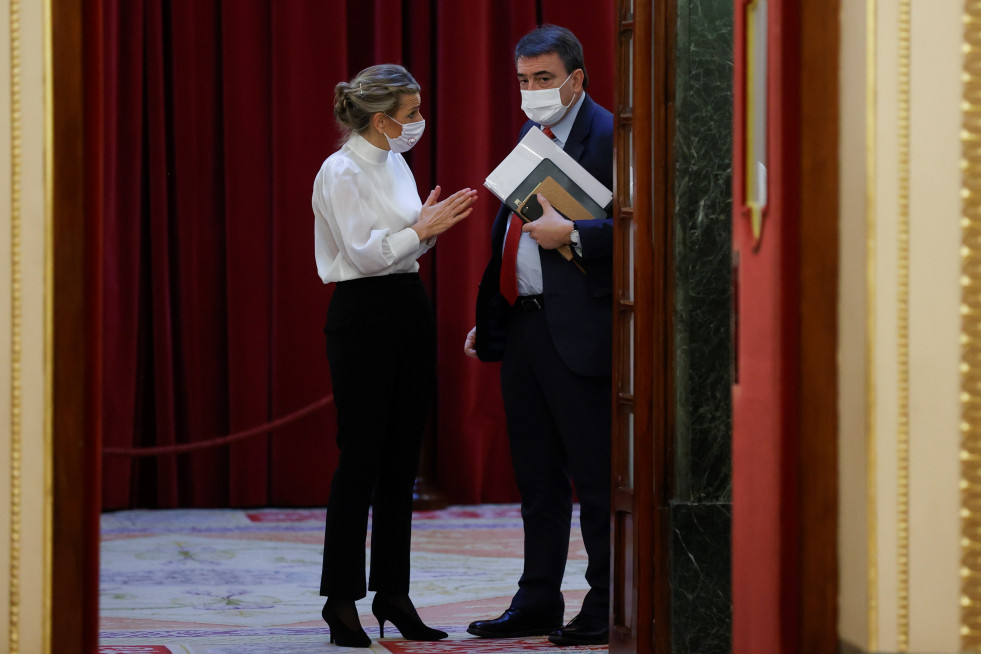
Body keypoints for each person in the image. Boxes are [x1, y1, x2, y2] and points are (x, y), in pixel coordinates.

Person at [314, 63, 477, 648]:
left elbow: (402, 248)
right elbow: (362, 256)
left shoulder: (396, 160)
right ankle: (340, 601)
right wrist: (421, 228)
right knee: (360, 458)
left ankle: (393, 594)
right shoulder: (340, 170)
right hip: (363, 313)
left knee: (403, 460)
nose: (418, 124)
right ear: (381, 119)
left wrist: (427, 227)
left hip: (409, 304)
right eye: (410, 115)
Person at [463, 25, 613, 647]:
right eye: (524, 81)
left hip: (580, 328)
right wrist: (495, 311)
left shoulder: (610, 133)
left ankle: (607, 600)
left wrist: (577, 236)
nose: (532, 93)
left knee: (598, 478)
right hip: (525, 324)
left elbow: (645, 225)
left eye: (544, 80)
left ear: (576, 79)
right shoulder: (534, 134)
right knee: (537, 478)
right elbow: (515, 230)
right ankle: (537, 599)